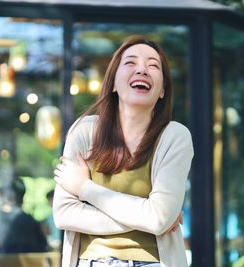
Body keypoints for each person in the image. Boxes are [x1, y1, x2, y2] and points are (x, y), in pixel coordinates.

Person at [53, 35, 194, 267]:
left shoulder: (175, 137)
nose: (142, 70)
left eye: (153, 65)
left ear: (162, 91)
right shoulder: (84, 131)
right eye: (130, 63)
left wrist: (85, 189)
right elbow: (64, 214)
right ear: (114, 84)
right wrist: (147, 216)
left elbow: (158, 218)